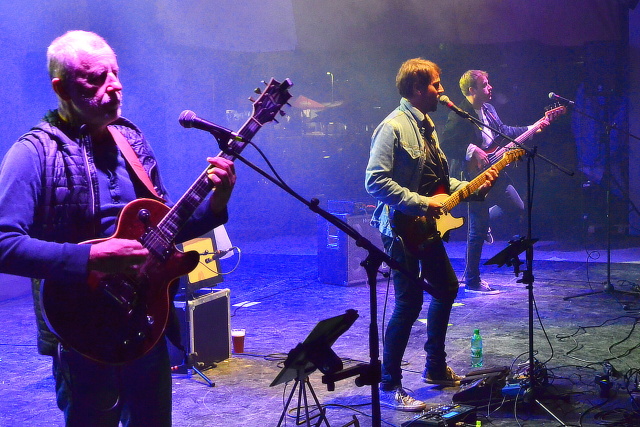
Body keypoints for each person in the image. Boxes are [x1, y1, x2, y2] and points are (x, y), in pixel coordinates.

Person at [0, 31, 236, 426]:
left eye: (115, 73)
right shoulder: (34, 152)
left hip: (146, 319)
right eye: (96, 78)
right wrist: (92, 257)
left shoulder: (131, 140)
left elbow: (164, 231)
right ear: (62, 88)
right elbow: (4, 244)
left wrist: (217, 202)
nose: (114, 86)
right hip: (81, 327)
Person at [365, 58, 499, 411]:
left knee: (446, 288)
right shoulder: (393, 127)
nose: (441, 91)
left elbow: (438, 182)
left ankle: (435, 368)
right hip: (401, 228)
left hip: (425, 226)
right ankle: (389, 384)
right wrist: (424, 203)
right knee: (409, 304)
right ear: (416, 88)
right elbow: (375, 182)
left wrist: (472, 187)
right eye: (436, 85)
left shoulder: (427, 126)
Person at [441, 70, 547, 294]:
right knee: (476, 231)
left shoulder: (489, 109)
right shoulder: (459, 115)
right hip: (473, 177)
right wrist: (471, 150)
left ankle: (484, 221)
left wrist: (533, 127)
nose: (490, 88)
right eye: (485, 85)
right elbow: (446, 145)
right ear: (472, 90)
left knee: (517, 206)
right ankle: (472, 280)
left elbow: (504, 132)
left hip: (496, 170)